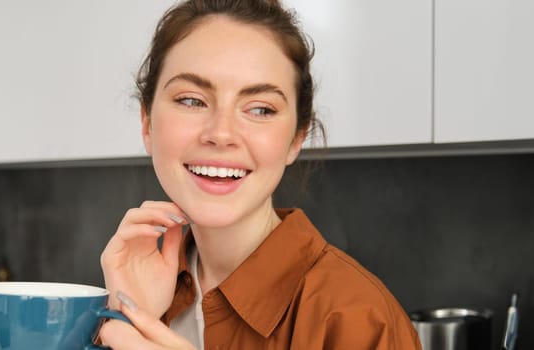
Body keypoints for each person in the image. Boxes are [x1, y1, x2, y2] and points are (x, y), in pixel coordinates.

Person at [98, 0, 422, 349]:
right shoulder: (135, 287)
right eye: (192, 101)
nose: (221, 133)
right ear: (147, 123)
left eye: (260, 109)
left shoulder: (360, 320)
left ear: (296, 138)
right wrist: (126, 320)